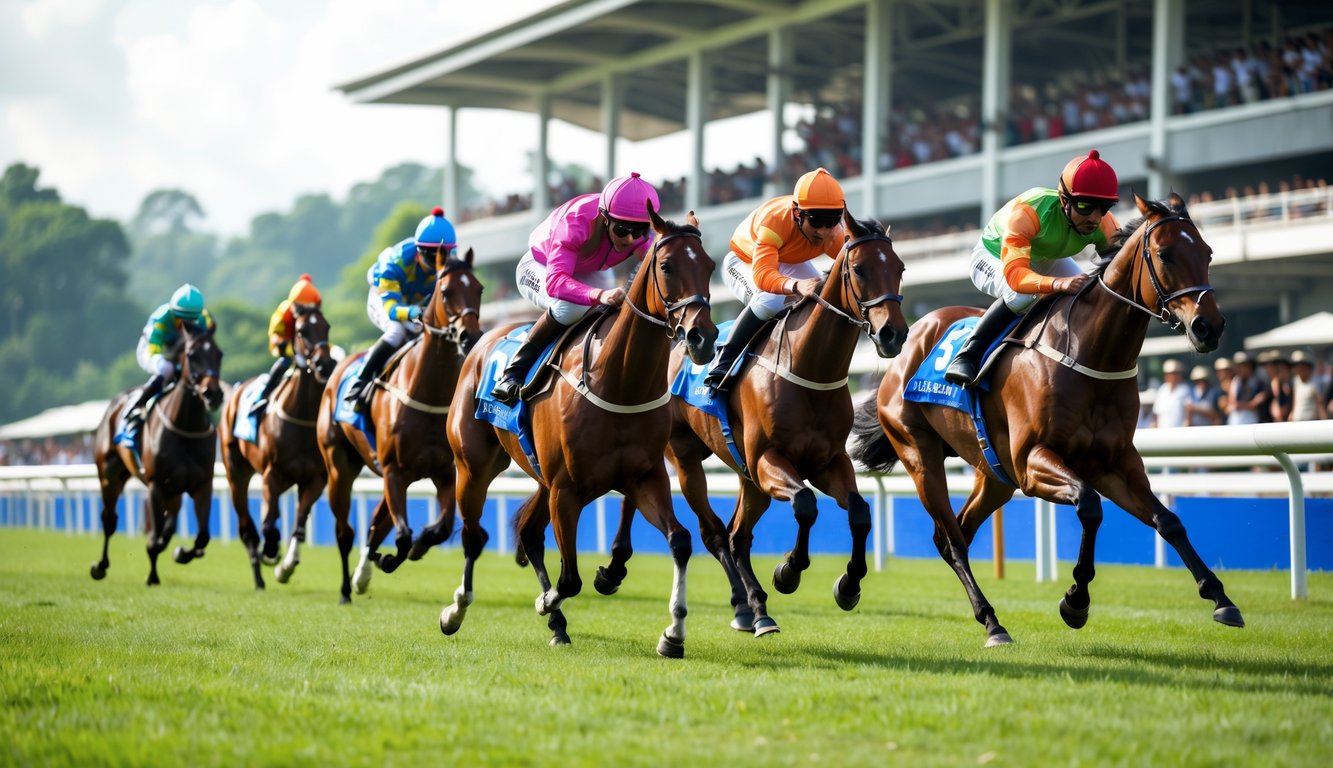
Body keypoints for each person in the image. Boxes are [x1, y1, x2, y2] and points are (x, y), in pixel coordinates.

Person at [945, 149, 1122, 386]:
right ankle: (968, 354)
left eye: (1104, 207)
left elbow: (1120, 274)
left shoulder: (1103, 224)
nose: (1094, 218)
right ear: (1064, 200)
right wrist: (1058, 284)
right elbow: (1017, 277)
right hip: (993, 256)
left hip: (1044, 257)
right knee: (1020, 294)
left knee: (1088, 294)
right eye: (1084, 205)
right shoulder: (1030, 210)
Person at [489, 172, 660, 406]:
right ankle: (513, 372)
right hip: (541, 266)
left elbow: (657, 262)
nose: (630, 240)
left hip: (589, 267)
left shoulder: (638, 233)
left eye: (638, 232)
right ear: (605, 218)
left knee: (611, 312)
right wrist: (600, 294)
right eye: (621, 230)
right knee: (570, 307)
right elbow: (556, 281)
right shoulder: (576, 222)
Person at [702, 167, 847, 391]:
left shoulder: (832, 232)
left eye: (833, 221)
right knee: (771, 300)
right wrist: (796, 285)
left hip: (788, 259)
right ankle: (724, 362)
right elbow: (762, 276)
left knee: (822, 299)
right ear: (798, 214)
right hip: (745, 261)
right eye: (817, 221)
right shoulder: (775, 220)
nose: (824, 231)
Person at [345, 207, 457, 411]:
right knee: (397, 331)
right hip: (385, 299)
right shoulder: (394, 263)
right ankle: (359, 383)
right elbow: (392, 310)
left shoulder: (450, 260)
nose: (440, 263)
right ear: (419, 253)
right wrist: (414, 313)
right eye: (434, 257)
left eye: (445, 255)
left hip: (418, 302)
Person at [125, 283, 216, 431]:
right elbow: (156, 351)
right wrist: (178, 359)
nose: (187, 324)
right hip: (151, 351)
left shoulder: (203, 318)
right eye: (183, 319)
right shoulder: (161, 319)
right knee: (166, 369)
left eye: (192, 320)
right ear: (174, 313)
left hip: (182, 353)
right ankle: (138, 404)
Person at [250, 274, 322, 417]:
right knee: (284, 363)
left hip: (309, 349)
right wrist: (283, 342)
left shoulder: (314, 311)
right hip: (287, 347)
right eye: (301, 307)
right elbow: (275, 334)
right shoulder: (285, 309)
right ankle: (263, 397)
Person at [1225, 351, 1265, 425]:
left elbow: (1256, 404)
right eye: (1238, 366)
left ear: (1250, 367)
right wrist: (1248, 405)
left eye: (1242, 366)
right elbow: (1232, 403)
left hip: (1253, 421)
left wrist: (1241, 405)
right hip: (1236, 420)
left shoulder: (1259, 383)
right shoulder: (1236, 381)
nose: (1239, 369)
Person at [1150, 359, 1191, 428]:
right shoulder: (1162, 390)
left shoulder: (1185, 389)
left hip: (1180, 433)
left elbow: (1189, 412)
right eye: (1169, 374)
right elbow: (1156, 414)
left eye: (1175, 373)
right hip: (1162, 433)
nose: (1172, 376)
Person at [1288, 349, 1327, 421]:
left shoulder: (1314, 384)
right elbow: (1295, 401)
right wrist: (1292, 414)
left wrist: (1324, 422)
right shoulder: (1296, 381)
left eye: (1301, 367)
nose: (1298, 369)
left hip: (1310, 425)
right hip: (1297, 423)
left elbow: (1320, 405)